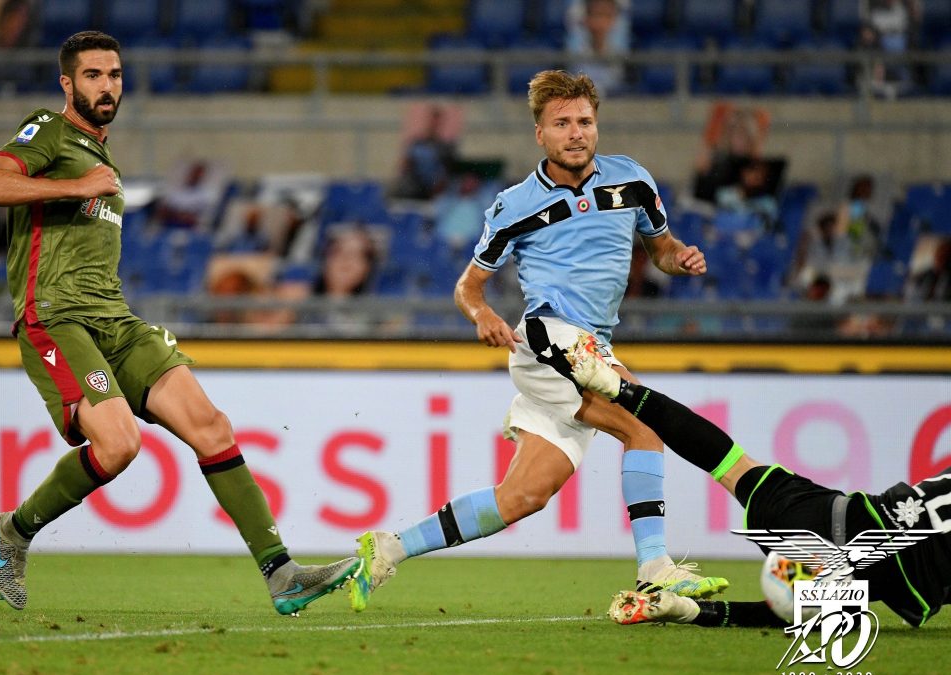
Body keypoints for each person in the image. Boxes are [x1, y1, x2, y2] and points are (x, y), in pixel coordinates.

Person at [0, 31, 358, 616]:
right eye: (94, 75)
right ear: (67, 83)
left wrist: (87, 182)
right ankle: (15, 531)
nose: (107, 85)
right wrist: (74, 186)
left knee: (212, 426)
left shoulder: (103, 158)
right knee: (120, 444)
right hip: (57, 318)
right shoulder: (49, 130)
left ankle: (282, 574)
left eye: (115, 75)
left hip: (115, 320)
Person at [350, 70, 726, 613]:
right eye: (563, 123)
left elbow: (661, 248)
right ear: (540, 134)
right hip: (550, 342)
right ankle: (654, 570)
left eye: (585, 122)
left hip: (592, 350)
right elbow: (468, 287)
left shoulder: (633, 182)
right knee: (645, 423)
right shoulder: (514, 205)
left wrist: (681, 258)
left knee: (521, 498)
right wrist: (481, 315)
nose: (577, 133)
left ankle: (390, 548)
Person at [562, 338, 951, 628]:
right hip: (870, 565)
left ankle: (614, 390)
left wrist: (623, 391)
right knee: (809, 603)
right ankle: (692, 610)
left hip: (832, 521)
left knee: (728, 462)